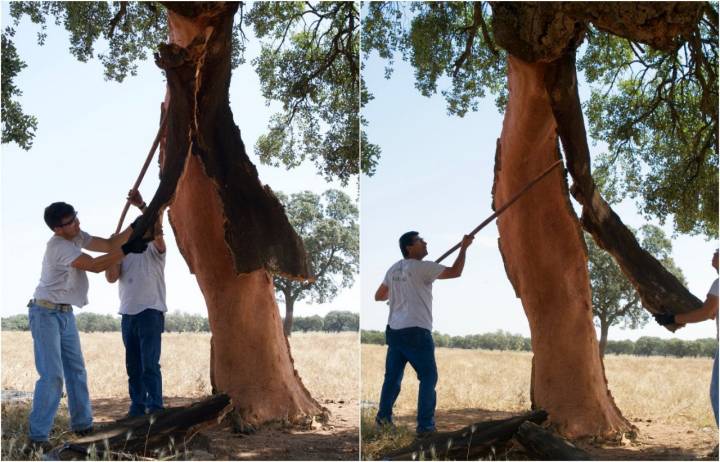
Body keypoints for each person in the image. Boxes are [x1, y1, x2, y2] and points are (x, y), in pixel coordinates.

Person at [27, 201, 148, 453]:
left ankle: (83, 426)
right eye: (70, 222)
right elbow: (94, 265)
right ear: (58, 229)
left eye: (75, 217)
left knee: (77, 371)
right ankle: (37, 438)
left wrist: (135, 226)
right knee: (52, 376)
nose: (77, 223)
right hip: (45, 313)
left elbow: (108, 244)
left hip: (65, 313)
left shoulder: (76, 235)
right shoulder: (58, 246)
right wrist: (128, 249)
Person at [374, 231, 474, 436]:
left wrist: (399, 290)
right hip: (417, 331)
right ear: (409, 247)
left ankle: (383, 420)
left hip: (394, 331)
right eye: (420, 240)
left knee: (392, 378)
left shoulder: (393, 269)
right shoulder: (424, 267)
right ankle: (425, 427)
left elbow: (379, 296)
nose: (425, 242)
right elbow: (456, 271)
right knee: (428, 377)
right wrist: (464, 248)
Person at [105, 190, 167, 417]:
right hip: (127, 314)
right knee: (133, 366)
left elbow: (157, 227)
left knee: (150, 364)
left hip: (150, 311)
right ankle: (137, 406)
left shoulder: (155, 247)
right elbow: (111, 278)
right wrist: (115, 251)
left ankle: (156, 407)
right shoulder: (123, 251)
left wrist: (142, 206)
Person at [654, 249, 718, 432]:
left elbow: (707, 312)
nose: (714, 252)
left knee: (717, 394)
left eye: (718, 252)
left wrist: (672, 319)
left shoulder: (718, 284)